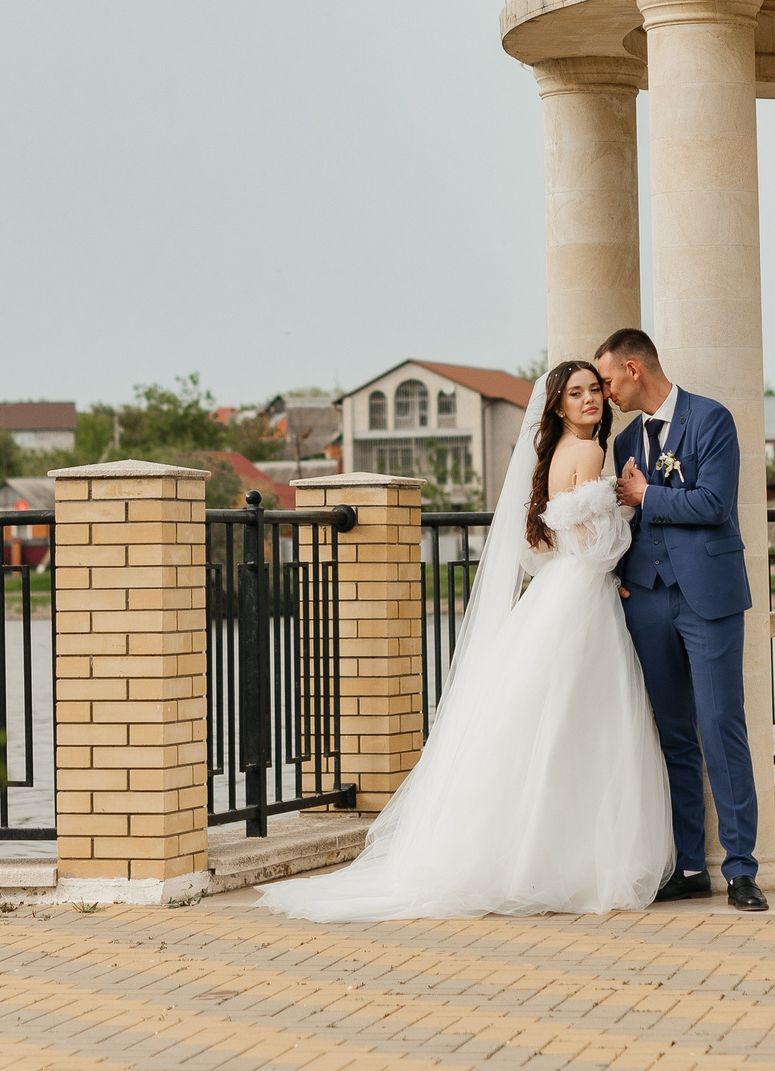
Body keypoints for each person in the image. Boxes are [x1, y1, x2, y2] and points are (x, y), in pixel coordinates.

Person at [256, 359, 673, 919]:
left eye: (594, 391)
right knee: (584, 725)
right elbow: (598, 549)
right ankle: (569, 861)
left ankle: (526, 857)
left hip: (556, 594)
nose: (589, 401)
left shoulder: (551, 459)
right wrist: (628, 506)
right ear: (558, 406)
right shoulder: (593, 453)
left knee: (548, 725)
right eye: (576, 393)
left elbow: (549, 544)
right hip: (583, 597)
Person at [596, 327, 767, 912]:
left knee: (721, 726)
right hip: (645, 597)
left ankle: (742, 869)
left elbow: (715, 504)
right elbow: (623, 521)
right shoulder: (623, 443)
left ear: (634, 369)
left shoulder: (712, 420)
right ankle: (691, 865)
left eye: (609, 378)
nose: (606, 391)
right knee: (673, 736)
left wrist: (650, 498)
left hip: (708, 598)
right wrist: (615, 574)